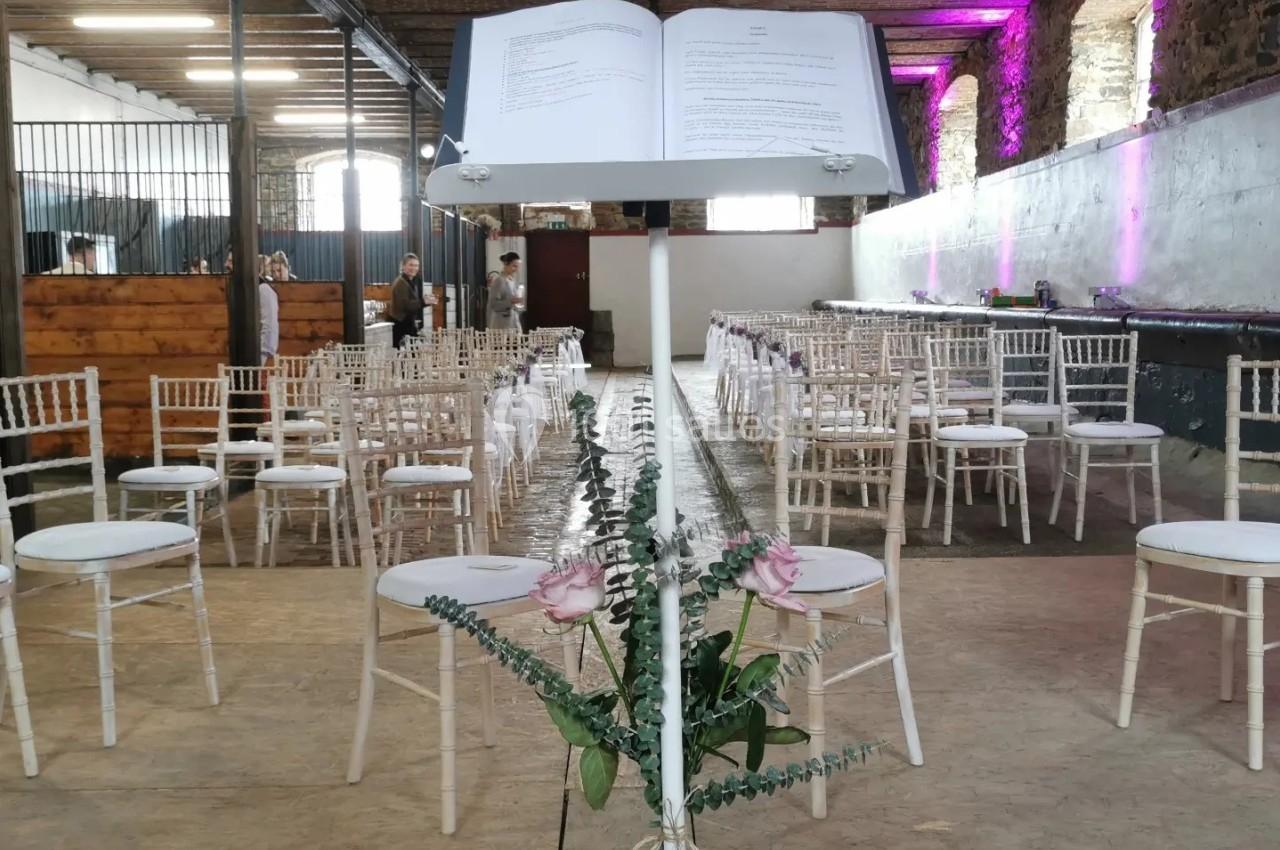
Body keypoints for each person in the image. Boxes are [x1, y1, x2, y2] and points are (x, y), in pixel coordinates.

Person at [388, 252, 436, 348]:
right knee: (405, 356)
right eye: (411, 265)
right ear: (403, 266)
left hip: (408, 324)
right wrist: (423, 301)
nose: (414, 268)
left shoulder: (409, 281)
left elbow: (412, 303)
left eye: (416, 265)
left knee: (411, 355)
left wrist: (426, 301)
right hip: (401, 325)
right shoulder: (400, 283)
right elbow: (406, 306)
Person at [486, 251, 524, 331]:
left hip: (513, 324)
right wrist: (510, 302)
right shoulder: (499, 281)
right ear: (506, 264)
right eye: (514, 266)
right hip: (501, 326)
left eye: (517, 267)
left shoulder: (512, 280)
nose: (516, 270)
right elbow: (493, 304)